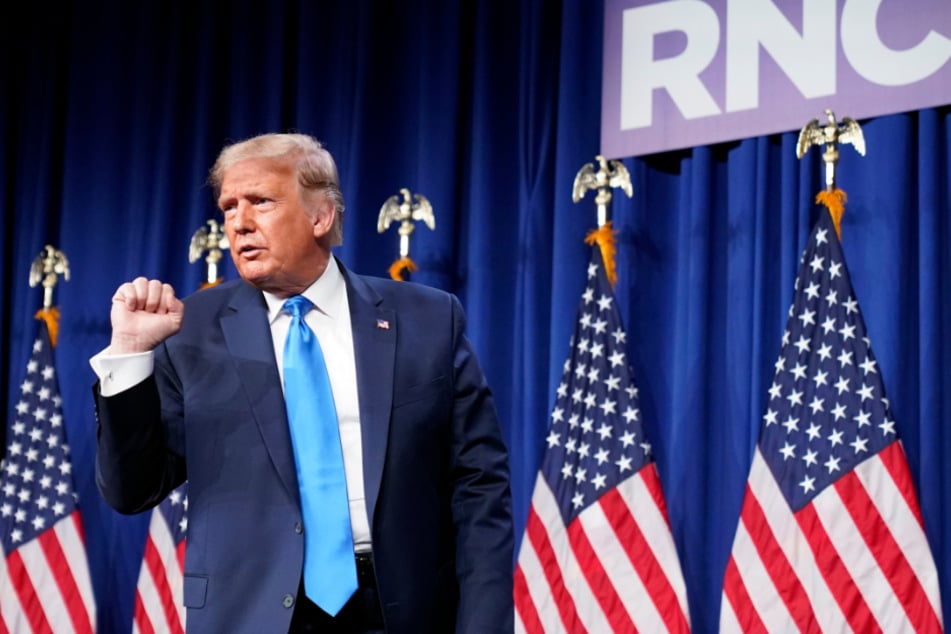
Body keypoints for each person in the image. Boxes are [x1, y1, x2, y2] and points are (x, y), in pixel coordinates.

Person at [91, 133, 514, 633]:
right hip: (251, 615)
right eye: (229, 206)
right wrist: (130, 356)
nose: (239, 222)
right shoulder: (191, 331)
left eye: (261, 202)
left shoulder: (427, 319)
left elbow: (480, 488)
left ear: (321, 216)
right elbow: (130, 491)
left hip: (401, 609)